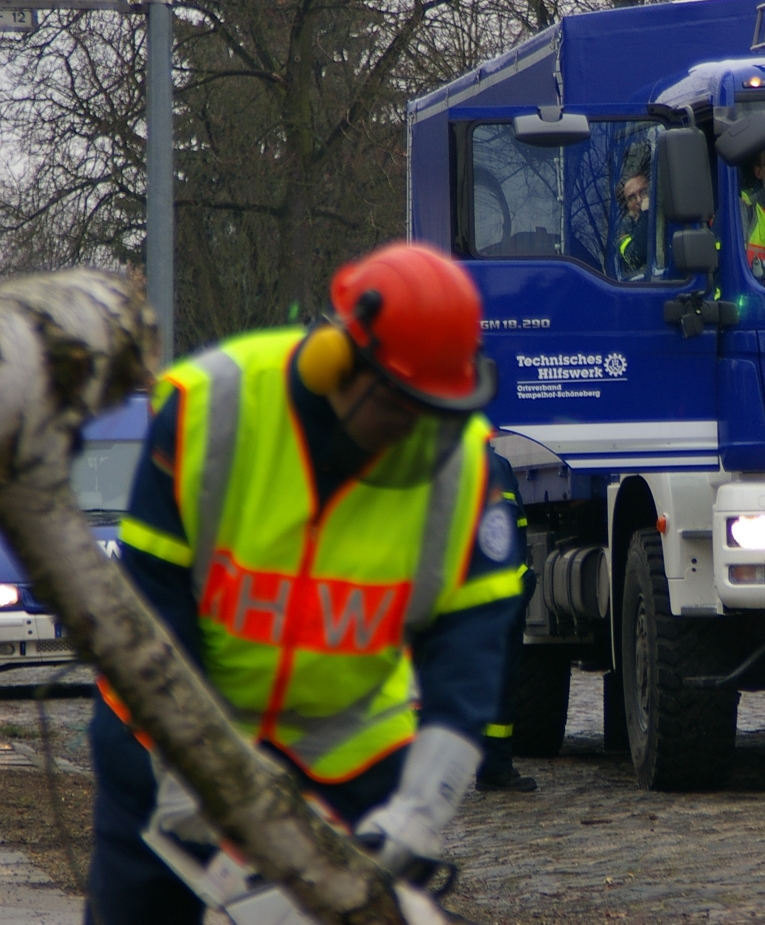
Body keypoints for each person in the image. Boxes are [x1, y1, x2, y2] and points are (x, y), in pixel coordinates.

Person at [88, 243, 530, 924]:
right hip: (162, 738)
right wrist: (193, 770)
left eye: (430, 409)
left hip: (347, 747)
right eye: (400, 404)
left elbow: (471, 649)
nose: (413, 429)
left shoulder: (459, 461)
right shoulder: (208, 409)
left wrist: (421, 808)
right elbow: (153, 614)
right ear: (339, 364)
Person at [614, 142, 652, 279]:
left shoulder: (666, 214)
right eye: (631, 198)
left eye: (643, 192)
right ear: (627, 204)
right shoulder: (623, 228)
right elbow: (635, 254)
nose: (639, 200)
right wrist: (646, 214)